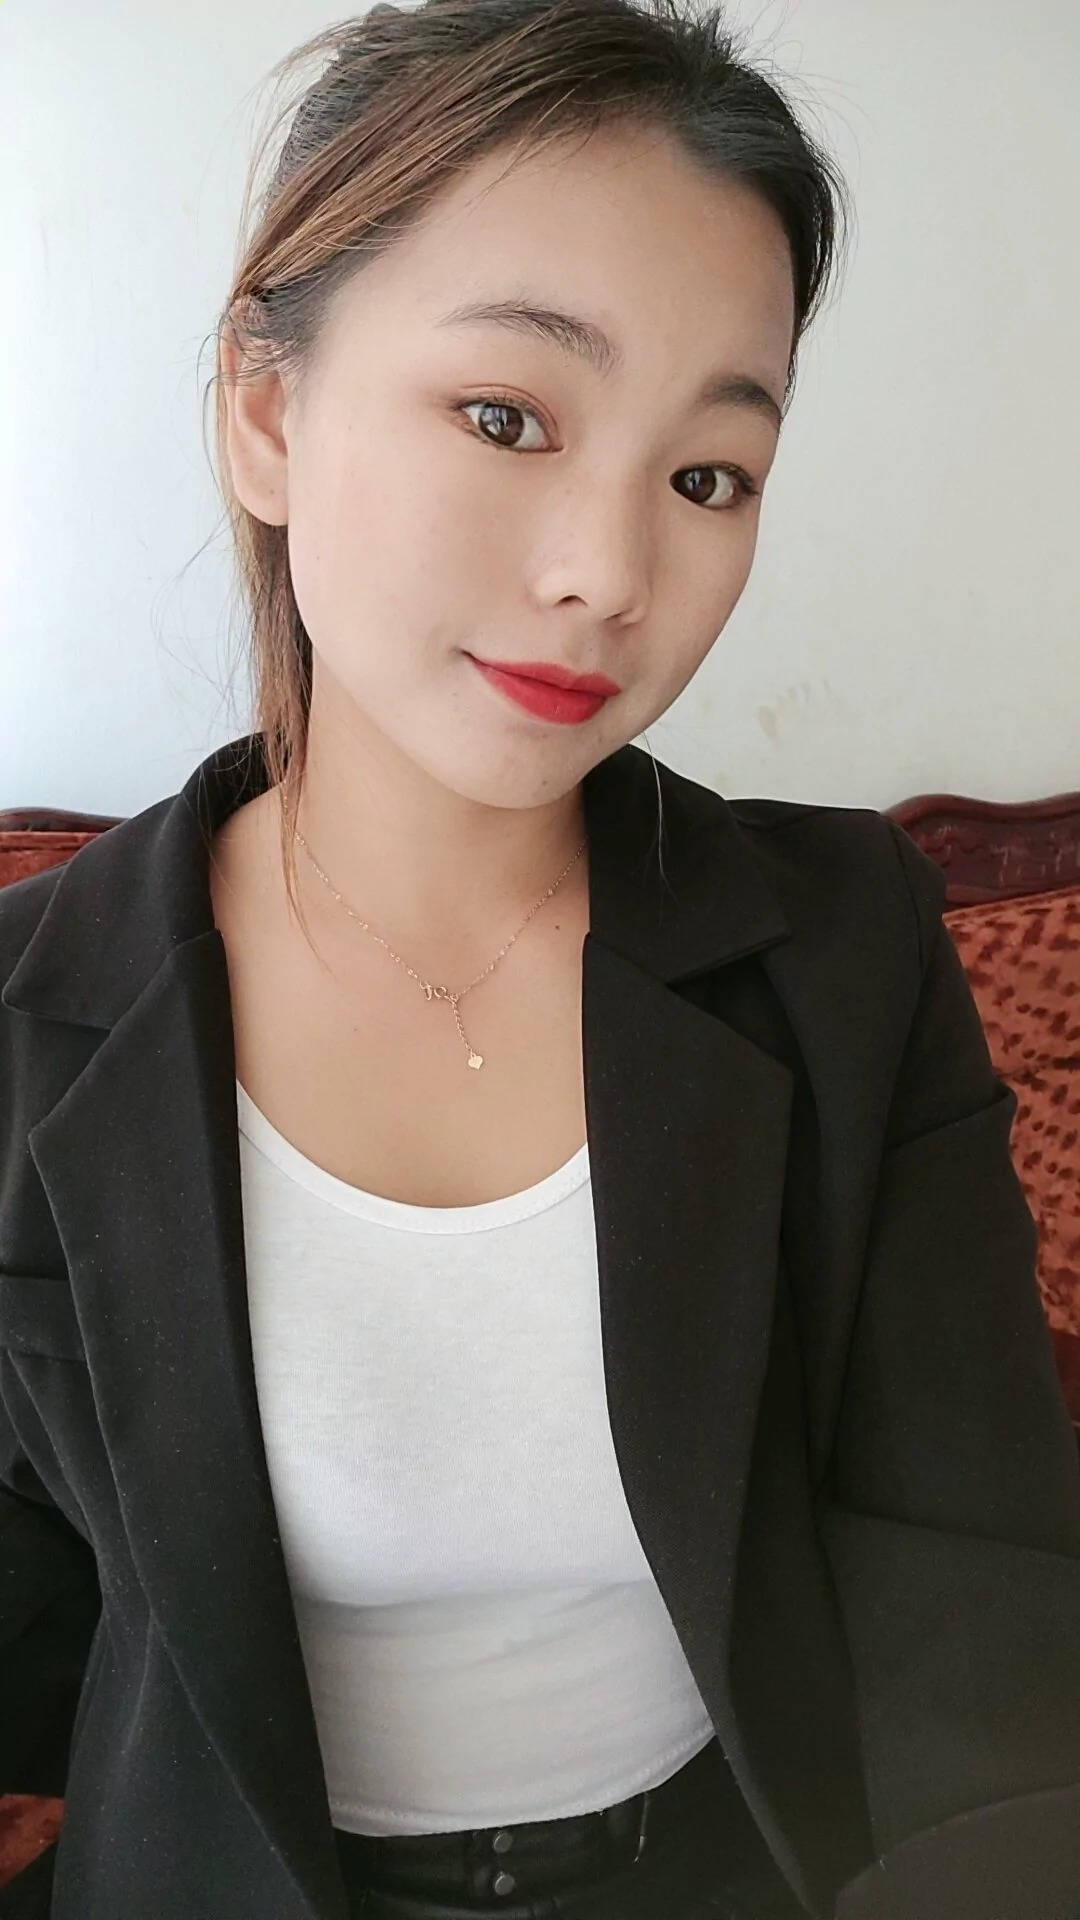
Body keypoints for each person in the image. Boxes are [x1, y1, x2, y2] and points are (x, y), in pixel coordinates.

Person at [2, 1, 1079, 1917]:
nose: (610, 572)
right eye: (508, 417)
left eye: (709, 474)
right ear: (268, 412)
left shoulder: (843, 952)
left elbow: (975, 1594)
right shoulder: (30, 1021)